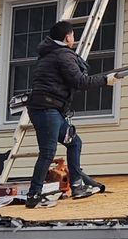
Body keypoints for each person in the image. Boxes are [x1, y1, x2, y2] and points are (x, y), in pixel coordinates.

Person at [24, 20, 119, 207]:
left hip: (50, 109)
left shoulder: (49, 54)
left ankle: (77, 185)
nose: (74, 38)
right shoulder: (63, 55)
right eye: (73, 35)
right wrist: (105, 81)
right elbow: (80, 81)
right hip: (46, 109)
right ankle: (33, 196)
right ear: (67, 37)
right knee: (47, 152)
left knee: (74, 143)